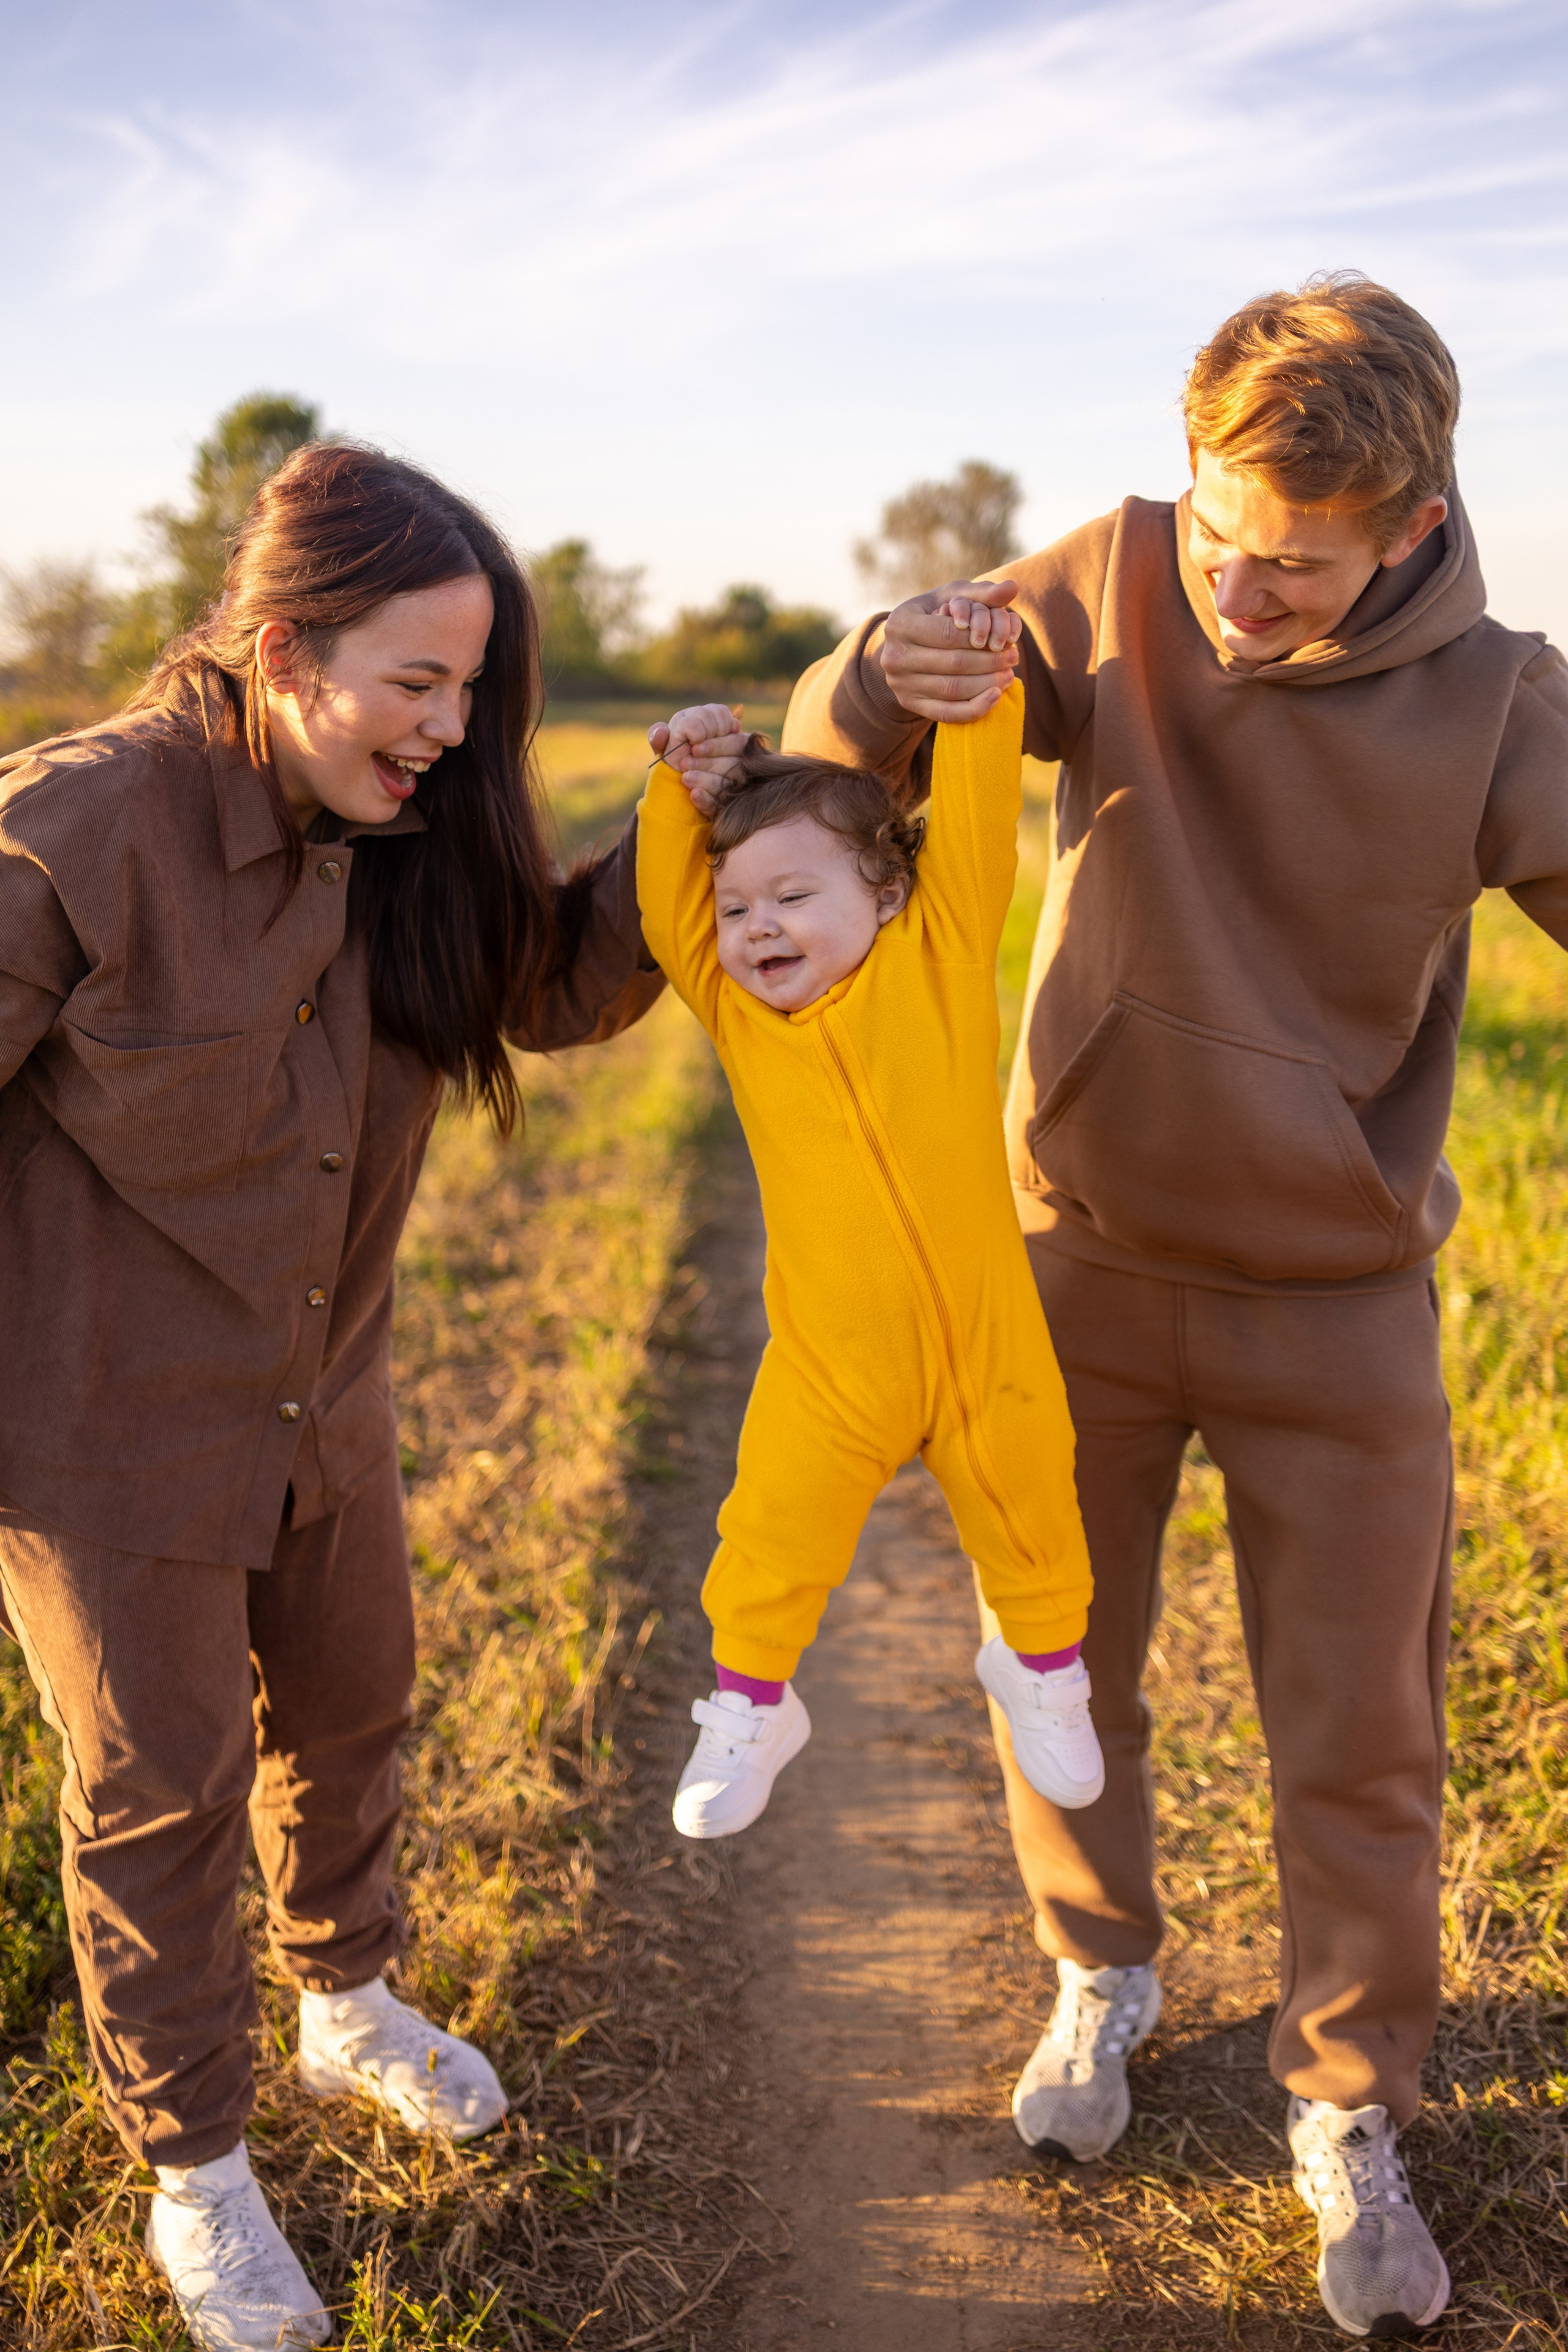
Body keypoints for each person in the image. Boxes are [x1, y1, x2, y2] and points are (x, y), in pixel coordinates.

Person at [782, 271, 1568, 2339]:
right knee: (1059, 1670)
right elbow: (833, 758)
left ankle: (1351, 2102)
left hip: (1340, 1307)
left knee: (1364, 1734)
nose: (1235, 594)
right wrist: (884, 667)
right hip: (1083, 1270)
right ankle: (1098, 1973)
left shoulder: (1499, 697)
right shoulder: (1115, 579)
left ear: (1406, 524)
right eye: (1220, 541)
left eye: (1293, 569)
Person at [0, 443, 660, 2351]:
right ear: (284, 650)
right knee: (162, 1790)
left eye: (474, 691)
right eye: (418, 685)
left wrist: (696, 826)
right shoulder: (77, 826)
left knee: (357, 1697)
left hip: (318, 1393)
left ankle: (345, 1999)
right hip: (102, 1429)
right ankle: (197, 2173)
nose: (454, 731)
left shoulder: (410, 832)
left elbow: (549, 986)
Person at [638, 680, 1098, 1839]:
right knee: (771, 1529)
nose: (759, 928)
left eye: (792, 895)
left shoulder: (937, 957)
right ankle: (751, 1705)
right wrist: (674, 786)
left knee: (1035, 1501)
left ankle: (1042, 1670)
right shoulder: (742, 1021)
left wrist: (985, 691)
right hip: (833, 1367)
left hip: (987, 1345)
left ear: (887, 895)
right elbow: (666, 914)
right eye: (737, 907)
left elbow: (985, 814)